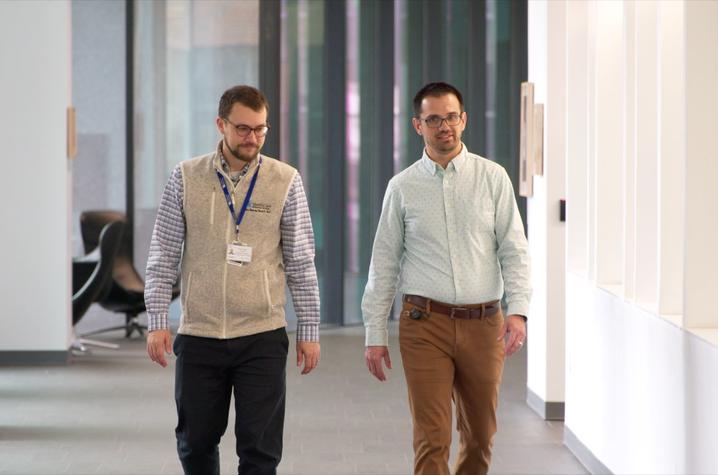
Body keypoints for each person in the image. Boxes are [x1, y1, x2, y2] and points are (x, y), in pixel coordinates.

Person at [144, 85, 321, 475]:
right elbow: (163, 255)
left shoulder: (285, 180)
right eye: (243, 129)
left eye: (260, 129)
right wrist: (157, 321)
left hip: (261, 334)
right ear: (220, 124)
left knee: (260, 451)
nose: (252, 138)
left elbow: (301, 261)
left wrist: (308, 327)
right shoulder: (186, 177)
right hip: (200, 335)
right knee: (195, 443)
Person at [362, 82, 531, 475]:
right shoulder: (402, 187)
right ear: (417, 126)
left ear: (464, 120)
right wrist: (374, 333)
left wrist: (519, 309)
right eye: (433, 119)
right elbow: (383, 262)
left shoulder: (493, 178)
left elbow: (514, 249)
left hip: (483, 323)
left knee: (480, 435)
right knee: (432, 436)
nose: (444, 127)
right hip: (425, 325)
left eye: (451, 117)